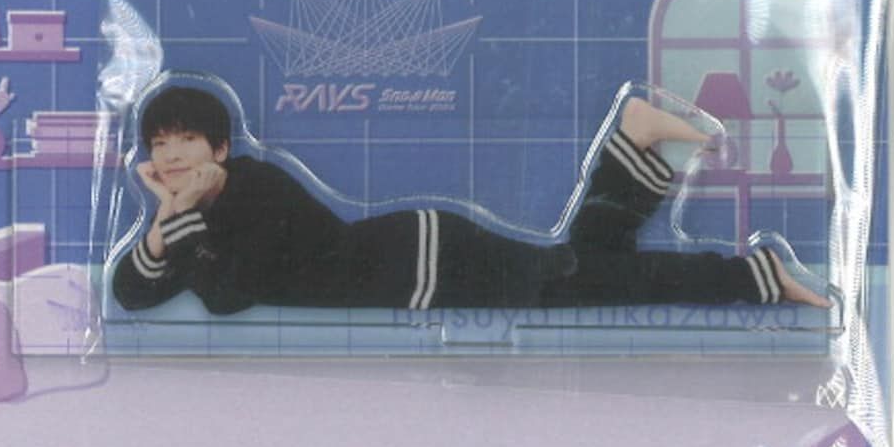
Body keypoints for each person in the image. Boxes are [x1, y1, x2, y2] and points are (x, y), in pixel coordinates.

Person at [112, 86, 831, 315]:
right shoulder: (197, 219)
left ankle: (756, 276)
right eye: (160, 144)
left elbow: (229, 294)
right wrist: (164, 226)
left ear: (219, 148)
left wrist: (180, 224)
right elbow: (132, 293)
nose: (170, 157)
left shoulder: (257, 187)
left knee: (588, 281)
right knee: (588, 270)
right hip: (419, 272)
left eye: (186, 141)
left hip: (428, 260)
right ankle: (637, 138)